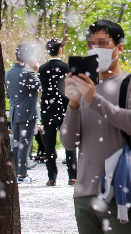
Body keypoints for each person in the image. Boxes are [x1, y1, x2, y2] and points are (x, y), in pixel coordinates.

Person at [60, 20, 131, 234]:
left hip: (118, 191)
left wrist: (95, 100)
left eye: (102, 43)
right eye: (91, 45)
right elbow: (69, 142)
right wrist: (74, 104)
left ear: (119, 48)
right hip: (83, 194)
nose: (96, 50)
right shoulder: (85, 89)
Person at [39, 38, 77, 186]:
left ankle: (52, 177)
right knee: (69, 143)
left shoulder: (42, 69)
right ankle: (72, 175)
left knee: (49, 144)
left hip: (48, 108)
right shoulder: (67, 68)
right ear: (60, 50)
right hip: (64, 108)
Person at [5, 43, 41, 182]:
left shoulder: (8, 73)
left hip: (14, 112)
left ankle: (14, 172)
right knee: (25, 144)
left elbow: (9, 94)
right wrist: (37, 69)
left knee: (16, 143)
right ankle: (22, 174)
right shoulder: (28, 73)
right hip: (28, 113)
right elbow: (41, 86)